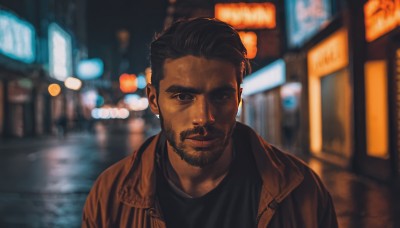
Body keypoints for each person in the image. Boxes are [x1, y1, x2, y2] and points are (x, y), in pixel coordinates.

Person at [82, 18, 338, 227]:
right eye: (183, 96)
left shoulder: (303, 191)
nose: (204, 117)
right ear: (153, 99)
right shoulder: (110, 197)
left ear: (238, 97)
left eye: (221, 95)